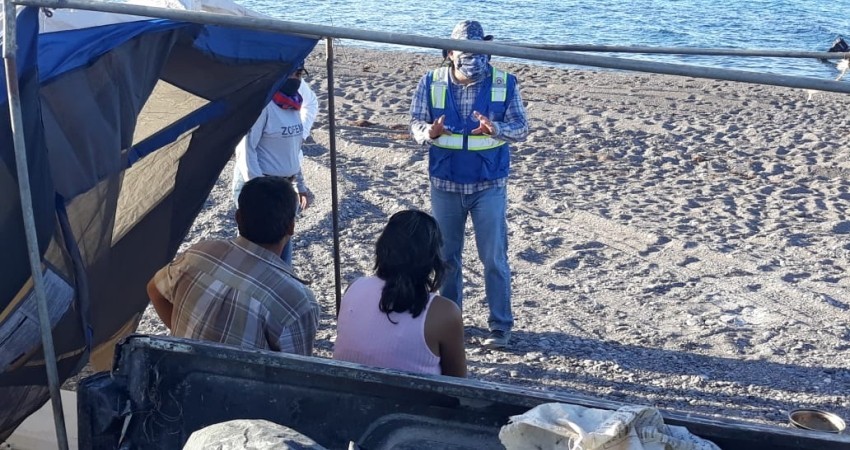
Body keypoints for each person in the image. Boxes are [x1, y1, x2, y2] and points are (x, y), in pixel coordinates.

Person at [409, 20, 529, 349]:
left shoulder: (505, 83)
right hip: (445, 184)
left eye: (480, 52)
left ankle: (500, 328)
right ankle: (452, 324)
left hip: (489, 184)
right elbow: (415, 123)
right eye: (465, 53)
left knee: (494, 258)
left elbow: (522, 128)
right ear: (449, 54)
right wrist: (427, 133)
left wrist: (497, 129)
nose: (473, 59)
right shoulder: (429, 82)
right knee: (447, 259)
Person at [147, 176, 320, 355]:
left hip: (182, 375)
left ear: (238, 218)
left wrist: (185, 341)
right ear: (291, 227)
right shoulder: (297, 302)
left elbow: (154, 290)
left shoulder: (198, 253)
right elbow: (295, 372)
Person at [334, 210, 467, 378]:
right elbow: (458, 386)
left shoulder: (354, 288)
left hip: (344, 400)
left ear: (382, 247)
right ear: (432, 258)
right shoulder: (444, 313)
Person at [232, 66, 319, 265]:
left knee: (282, 252)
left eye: (299, 74)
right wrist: (259, 189)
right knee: (255, 254)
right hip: (259, 184)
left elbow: (292, 151)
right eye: (291, 72)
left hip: (283, 187)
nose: (295, 79)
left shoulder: (293, 105)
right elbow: (245, 150)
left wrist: (300, 186)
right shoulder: (262, 106)